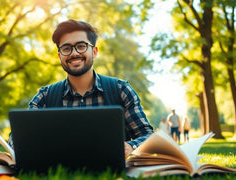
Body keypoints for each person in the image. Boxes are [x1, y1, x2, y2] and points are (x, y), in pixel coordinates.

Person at [8, 19, 154, 158]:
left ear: (94, 51)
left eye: (81, 46)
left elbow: (148, 136)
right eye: (66, 48)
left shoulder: (121, 90)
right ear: (60, 56)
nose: (74, 53)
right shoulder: (44, 97)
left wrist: (130, 146)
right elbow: (18, 136)